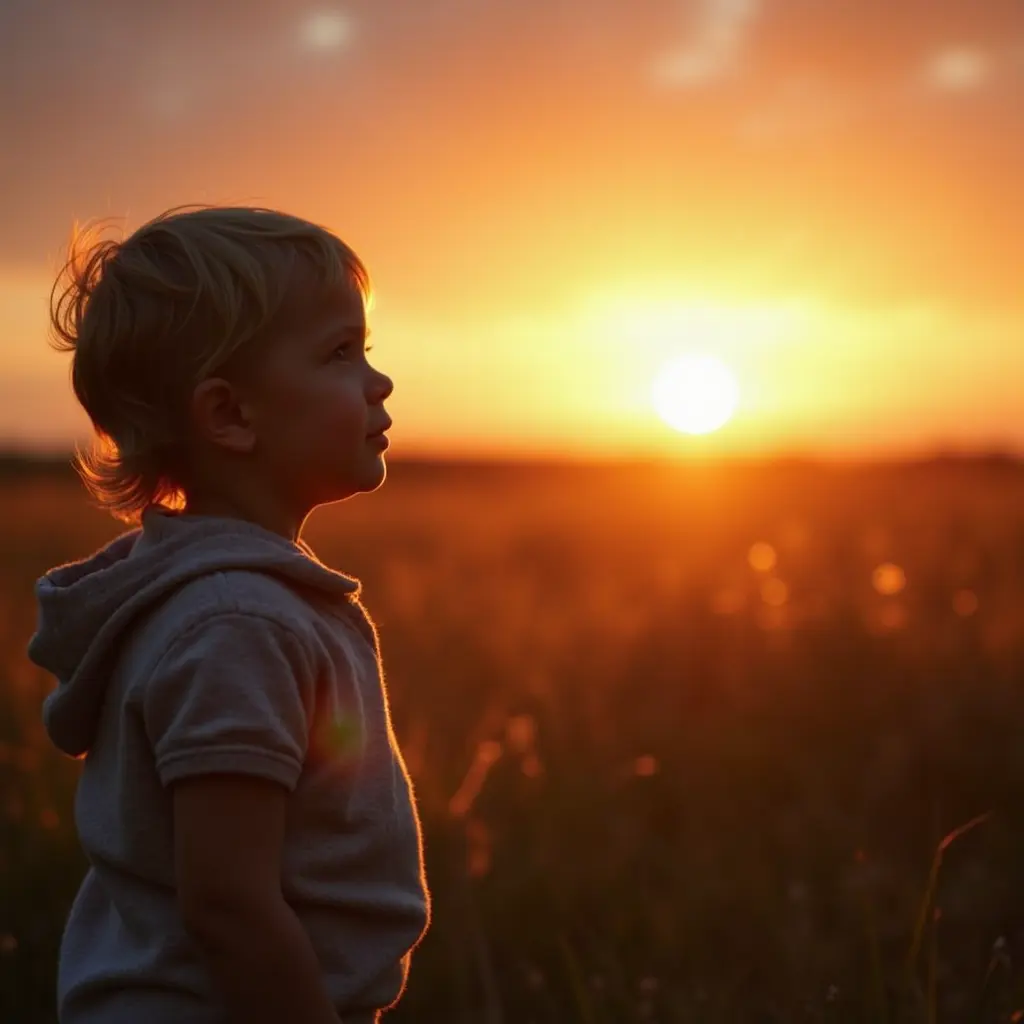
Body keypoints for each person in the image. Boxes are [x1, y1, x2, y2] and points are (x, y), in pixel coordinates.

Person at [26, 205, 431, 1024]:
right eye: (340, 352)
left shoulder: (236, 602)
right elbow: (229, 908)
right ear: (230, 416)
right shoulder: (237, 625)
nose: (378, 381)